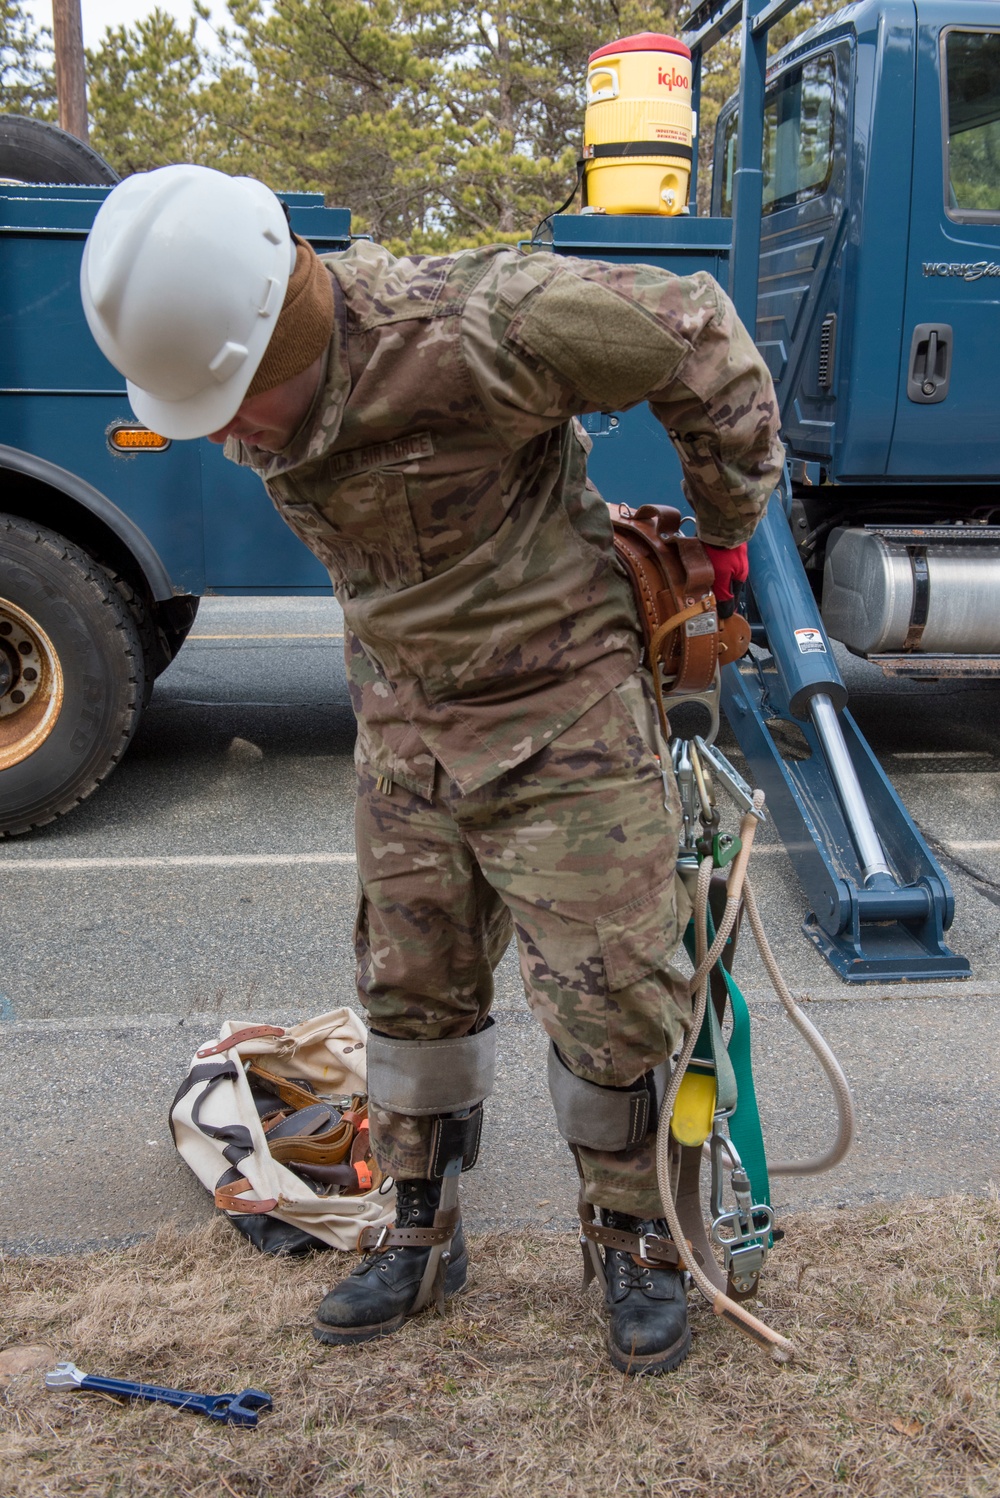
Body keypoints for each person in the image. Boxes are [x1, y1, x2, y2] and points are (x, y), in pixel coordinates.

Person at [82, 164, 783, 1376]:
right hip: (407, 722)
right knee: (410, 990)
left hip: (563, 716)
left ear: (286, 328)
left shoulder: (483, 327)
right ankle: (418, 1227)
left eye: (238, 400)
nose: (234, 435)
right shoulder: (257, 383)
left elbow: (696, 334)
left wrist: (722, 527)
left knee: (615, 999)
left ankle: (636, 1240)